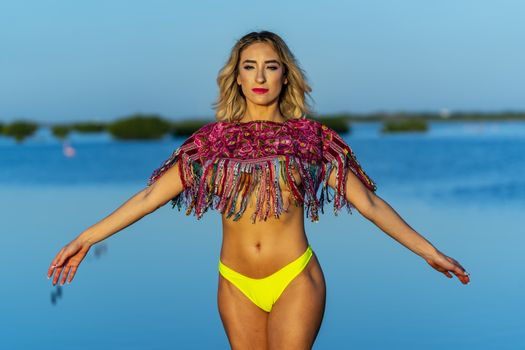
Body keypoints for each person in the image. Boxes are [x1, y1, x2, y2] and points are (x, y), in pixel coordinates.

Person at [47, 30, 471, 349]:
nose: (260, 76)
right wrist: (85, 238)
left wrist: (429, 251)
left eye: (271, 66)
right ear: (236, 77)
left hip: (295, 277)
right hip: (234, 281)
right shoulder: (211, 143)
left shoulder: (311, 139)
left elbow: (372, 205)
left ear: (286, 76)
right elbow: (147, 198)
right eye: (249, 66)